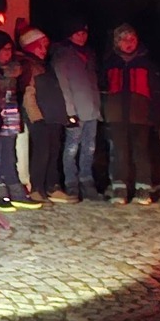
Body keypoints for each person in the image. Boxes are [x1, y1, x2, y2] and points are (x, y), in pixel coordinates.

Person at [101, 21, 160, 205]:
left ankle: (143, 189)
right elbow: (102, 88)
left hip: (140, 115)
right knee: (119, 152)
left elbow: (156, 91)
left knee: (141, 152)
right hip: (116, 115)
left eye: (132, 39)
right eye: (124, 39)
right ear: (117, 42)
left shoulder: (146, 64)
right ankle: (119, 188)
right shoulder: (110, 64)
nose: (129, 43)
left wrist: (155, 114)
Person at [53, 18, 103, 200]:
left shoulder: (89, 54)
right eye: (78, 34)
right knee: (72, 147)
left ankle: (86, 179)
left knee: (89, 147)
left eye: (84, 33)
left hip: (92, 109)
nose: (82, 37)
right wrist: (70, 111)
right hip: (76, 110)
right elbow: (64, 85)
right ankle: (71, 182)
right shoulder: (63, 56)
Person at [18, 29, 67, 199]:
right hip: (39, 116)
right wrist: (35, 116)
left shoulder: (45, 65)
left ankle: (52, 186)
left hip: (53, 115)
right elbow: (28, 93)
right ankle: (36, 188)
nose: (44, 49)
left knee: (54, 151)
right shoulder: (29, 65)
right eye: (41, 45)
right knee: (42, 152)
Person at [0, 34, 30, 207]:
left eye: (10, 49)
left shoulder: (15, 70)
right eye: (4, 49)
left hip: (11, 116)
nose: (8, 53)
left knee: (10, 154)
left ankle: (14, 187)